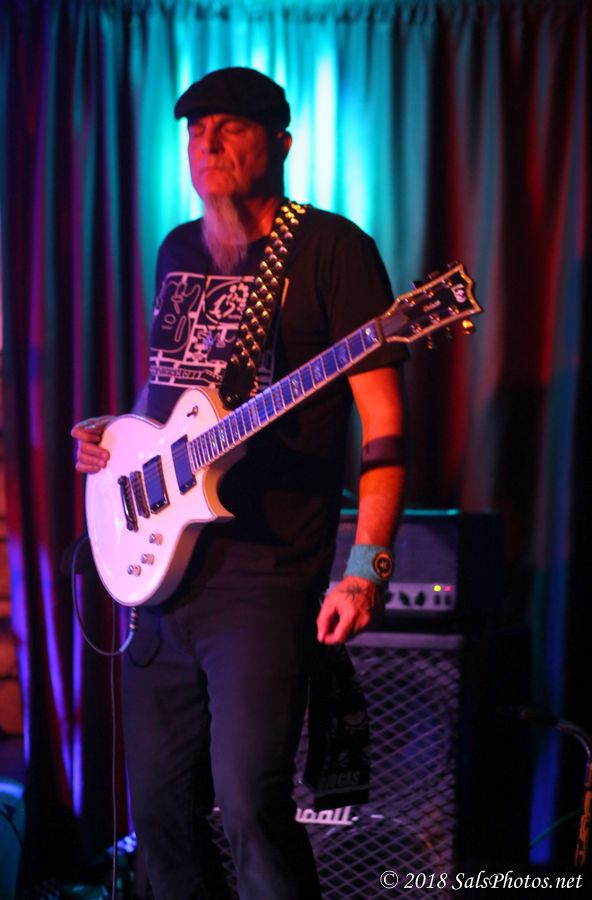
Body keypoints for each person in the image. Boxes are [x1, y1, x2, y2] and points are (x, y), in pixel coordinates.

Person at [71, 67, 407, 900]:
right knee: (159, 820)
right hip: (161, 574)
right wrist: (119, 442)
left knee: (251, 807)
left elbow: (385, 428)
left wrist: (366, 567)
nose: (207, 143)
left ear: (281, 143)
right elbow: (172, 397)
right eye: (195, 130)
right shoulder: (177, 249)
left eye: (230, 127)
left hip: (264, 577)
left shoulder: (333, 250)